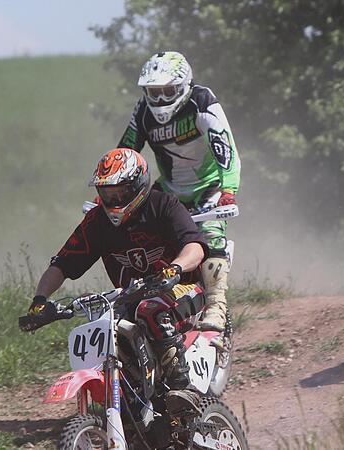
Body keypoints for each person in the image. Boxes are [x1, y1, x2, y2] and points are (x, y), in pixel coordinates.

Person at [27, 148, 209, 409]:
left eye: (120, 191)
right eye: (107, 192)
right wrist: (40, 299)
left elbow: (196, 246)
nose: (113, 198)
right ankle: (132, 397)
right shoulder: (96, 222)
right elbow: (62, 263)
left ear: (137, 185)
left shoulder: (164, 205)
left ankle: (182, 388)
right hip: (131, 298)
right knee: (109, 326)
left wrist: (175, 269)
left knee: (151, 309)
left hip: (183, 289)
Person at [118, 51, 240, 331]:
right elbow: (125, 151)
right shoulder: (143, 111)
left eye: (167, 91)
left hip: (207, 188)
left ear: (184, 86)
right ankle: (141, 304)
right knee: (138, 235)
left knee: (210, 237)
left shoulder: (202, 101)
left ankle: (216, 306)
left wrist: (229, 189)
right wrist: (111, 192)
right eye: (153, 92)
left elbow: (226, 149)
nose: (160, 100)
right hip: (169, 190)